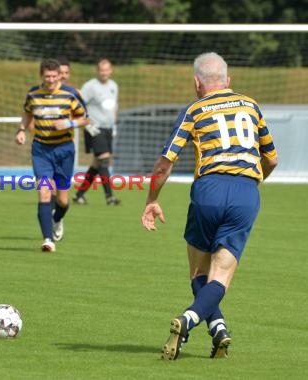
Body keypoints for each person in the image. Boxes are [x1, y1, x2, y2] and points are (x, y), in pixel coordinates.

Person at [141, 52, 278, 360]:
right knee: (221, 276)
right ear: (228, 81)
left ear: (196, 83)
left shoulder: (195, 108)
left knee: (198, 272)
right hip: (245, 192)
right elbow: (271, 158)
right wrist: (252, 184)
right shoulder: (251, 105)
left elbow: (164, 164)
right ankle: (214, 327)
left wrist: (152, 200)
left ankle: (195, 322)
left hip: (209, 190)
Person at [16, 58, 89, 252]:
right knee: (44, 192)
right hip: (41, 150)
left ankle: (57, 219)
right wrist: (21, 129)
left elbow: (85, 119)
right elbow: (27, 113)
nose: (50, 80)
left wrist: (69, 124)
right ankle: (48, 239)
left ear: (59, 76)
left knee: (63, 201)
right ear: (41, 76)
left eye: (54, 76)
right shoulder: (33, 94)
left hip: (64, 149)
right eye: (47, 76)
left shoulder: (70, 94)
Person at [73, 58, 120, 206]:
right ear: (97, 71)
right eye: (101, 70)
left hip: (108, 128)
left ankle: (79, 195)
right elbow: (78, 105)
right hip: (95, 128)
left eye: (107, 70)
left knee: (97, 163)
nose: (104, 73)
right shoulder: (89, 86)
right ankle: (109, 197)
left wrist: (114, 125)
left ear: (110, 70)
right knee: (104, 160)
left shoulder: (113, 86)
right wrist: (86, 124)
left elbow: (114, 106)